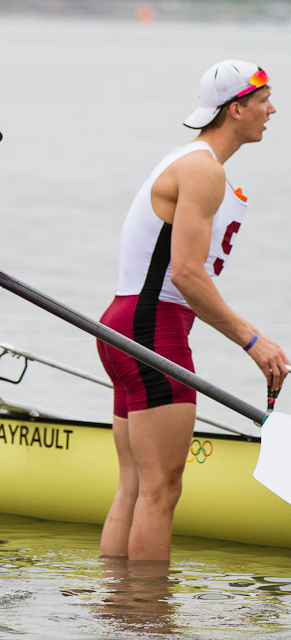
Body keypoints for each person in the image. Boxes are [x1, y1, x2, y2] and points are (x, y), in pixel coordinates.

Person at [96, 60, 287, 561]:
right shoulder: (202, 169)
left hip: (125, 323)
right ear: (235, 108)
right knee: (161, 491)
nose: (273, 109)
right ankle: (148, 623)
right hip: (151, 327)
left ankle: (117, 614)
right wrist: (253, 341)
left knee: (136, 486)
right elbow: (186, 274)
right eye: (264, 99)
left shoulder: (192, 161)